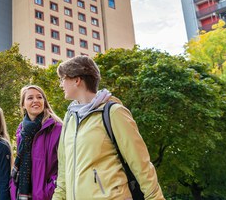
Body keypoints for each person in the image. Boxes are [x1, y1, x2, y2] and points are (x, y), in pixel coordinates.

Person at [52, 56, 164, 200]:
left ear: (76, 80)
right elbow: (63, 172)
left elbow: (140, 164)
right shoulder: (70, 118)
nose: (61, 85)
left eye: (62, 79)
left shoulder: (114, 112)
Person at [10, 85, 63, 200]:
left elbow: (64, 165)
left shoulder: (57, 128)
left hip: (46, 195)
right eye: (30, 98)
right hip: (21, 194)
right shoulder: (21, 130)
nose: (35, 101)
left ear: (44, 101)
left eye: (39, 97)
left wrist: (49, 189)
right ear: (23, 105)